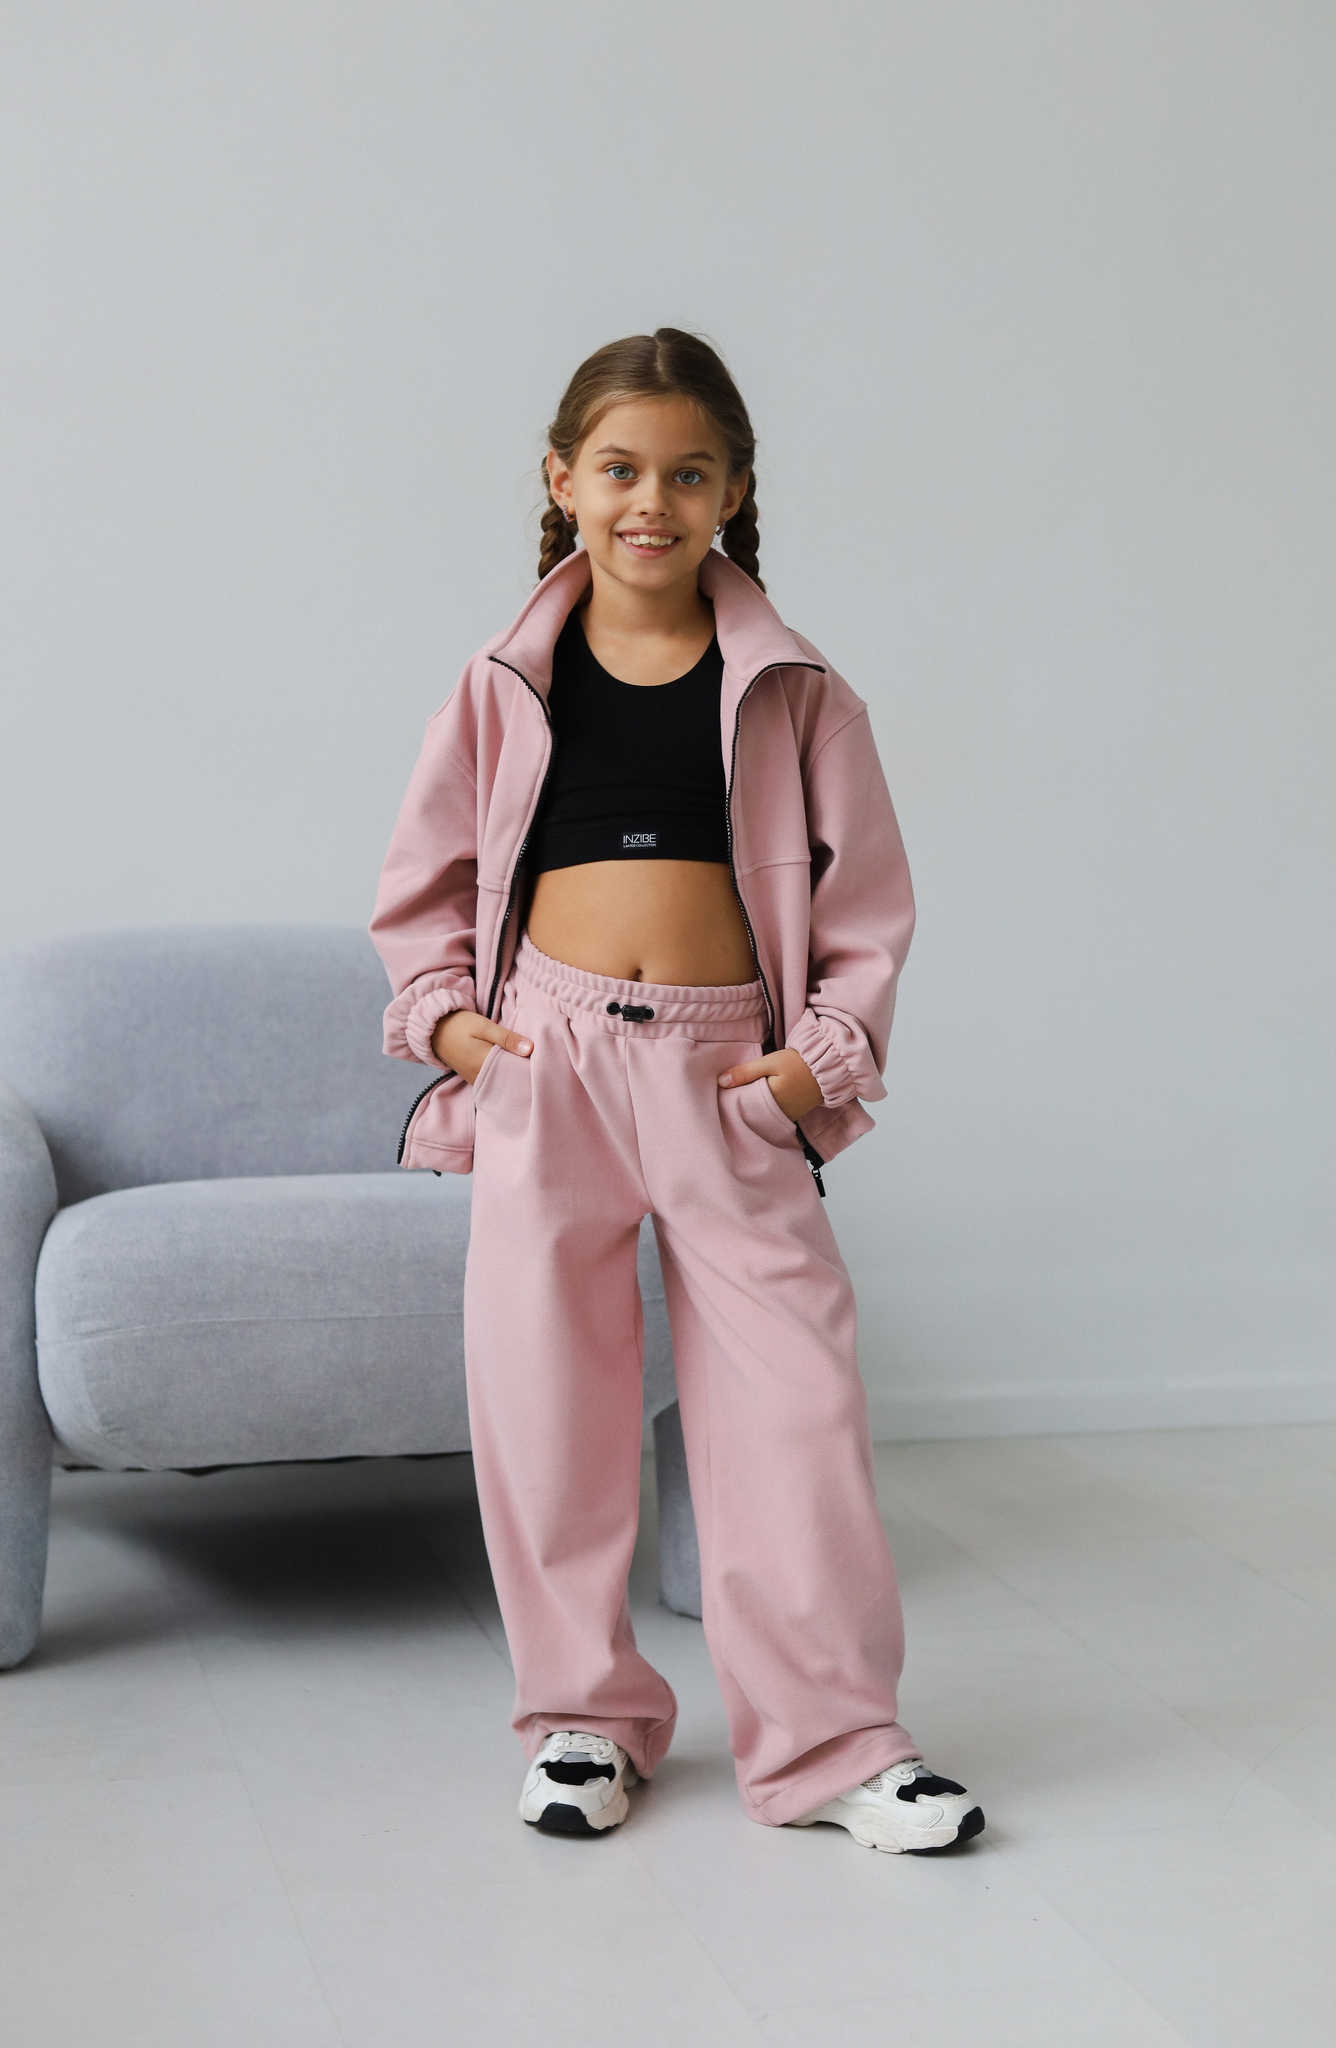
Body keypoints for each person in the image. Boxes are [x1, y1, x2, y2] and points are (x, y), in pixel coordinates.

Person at [370, 329, 984, 1855]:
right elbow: (423, 880)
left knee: (794, 1404)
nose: (650, 500)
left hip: (726, 1078)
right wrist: (451, 1026)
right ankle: (580, 1721)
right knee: (546, 1402)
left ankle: (835, 1745)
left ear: (734, 491)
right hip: (548, 1060)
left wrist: (813, 1059)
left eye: (687, 473)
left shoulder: (799, 692)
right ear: (561, 481)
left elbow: (868, 909)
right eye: (619, 468)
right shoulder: (499, 683)